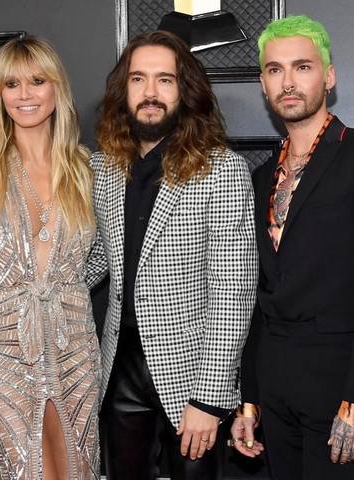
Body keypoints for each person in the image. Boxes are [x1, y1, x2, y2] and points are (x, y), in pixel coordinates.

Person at [86, 30, 258, 480]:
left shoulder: (221, 169)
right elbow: (99, 257)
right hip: (118, 367)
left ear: (185, 90)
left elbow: (234, 291)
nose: (150, 93)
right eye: (139, 79)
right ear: (124, 90)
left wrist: (209, 398)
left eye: (165, 80)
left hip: (191, 375)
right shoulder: (103, 166)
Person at [0, 36, 101, 479]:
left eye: (37, 81)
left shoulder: (86, 168)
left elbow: (99, 260)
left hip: (74, 349)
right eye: (11, 84)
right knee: (26, 470)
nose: (24, 95)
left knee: (76, 469)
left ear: (56, 88)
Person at [230, 15, 354, 479]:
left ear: (329, 75)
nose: (288, 81)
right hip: (276, 388)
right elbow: (254, 296)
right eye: (274, 69)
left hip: (340, 385)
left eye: (302, 67)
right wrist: (250, 399)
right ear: (263, 84)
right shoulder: (260, 179)